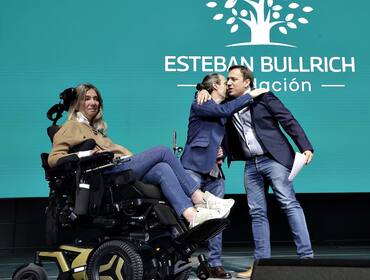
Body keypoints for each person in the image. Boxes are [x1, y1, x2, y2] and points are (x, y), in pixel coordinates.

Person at [48, 83, 235, 228]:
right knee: (163, 151)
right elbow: (53, 159)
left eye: (96, 99)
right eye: (87, 98)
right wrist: (86, 153)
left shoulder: (94, 130)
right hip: (107, 174)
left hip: (119, 166)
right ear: (78, 103)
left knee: (162, 169)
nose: (93, 102)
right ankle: (199, 198)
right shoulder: (71, 127)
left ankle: (191, 216)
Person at [223, 66, 314, 278]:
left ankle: (307, 259)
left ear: (247, 82)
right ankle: (262, 265)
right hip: (250, 164)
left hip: (274, 158)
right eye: (227, 79)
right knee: (256, 212)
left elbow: (287, 119)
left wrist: (305, 147)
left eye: (233, 79)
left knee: (288, 203)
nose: (228, 83)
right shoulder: (228, 104)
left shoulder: (263, 97)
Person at [181, 73, 267, 279]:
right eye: (223, 82)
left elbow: (228, 138)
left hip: (214, 171)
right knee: (186, 216)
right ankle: (179, 260)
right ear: (213, 87)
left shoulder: (223, 108)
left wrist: (223, 151)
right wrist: (251, 94)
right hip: (193, 167)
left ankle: (214, 263)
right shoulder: (201, 103)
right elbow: (225, 108)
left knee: (218, 218)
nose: (228, 84)